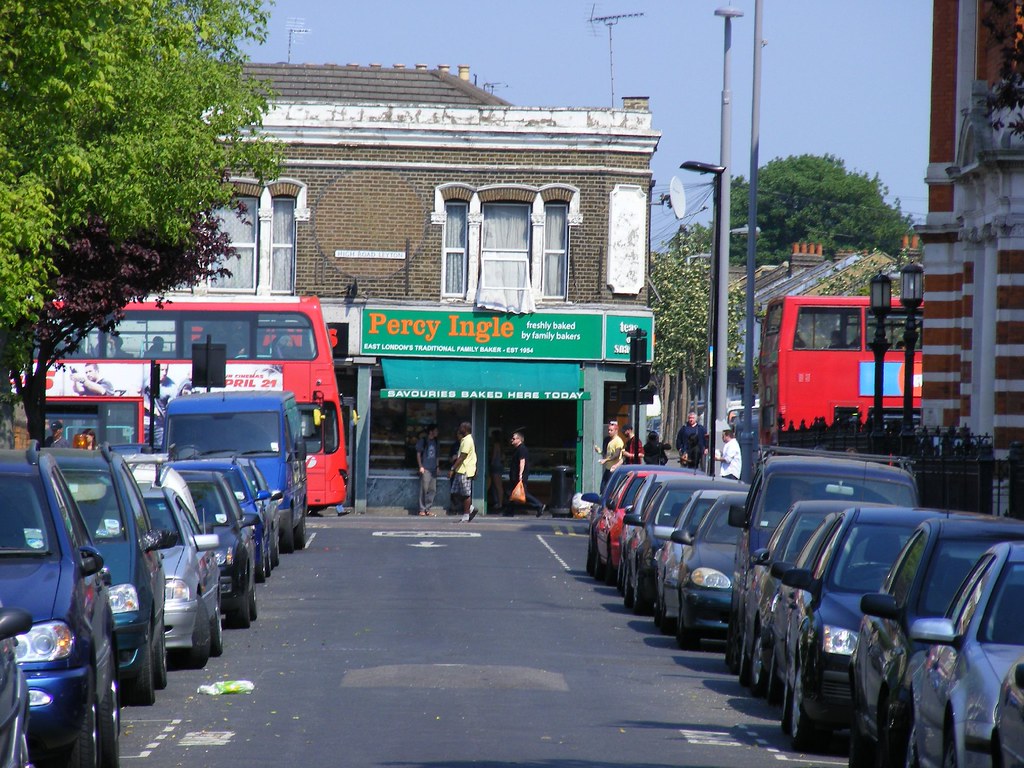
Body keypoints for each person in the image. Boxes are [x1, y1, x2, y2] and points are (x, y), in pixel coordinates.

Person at [505, 431, 545, 517]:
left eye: (514, 438)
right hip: (514, 475)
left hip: (519, 476)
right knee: (511, 493)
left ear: (519, 439)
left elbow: (522, 462)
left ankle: (539, 505)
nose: (511, 440)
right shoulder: (517, 449)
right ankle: (509, 511)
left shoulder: (522, 449)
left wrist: (520, 474)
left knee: (523, 493)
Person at [448, 422, 478, 522]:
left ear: (465, 429)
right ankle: (470, 508)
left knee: (465, 493)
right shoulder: (463, 440)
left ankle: (466, 515)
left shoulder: (468, 440)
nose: (459, 429)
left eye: (461, 427)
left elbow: (463, 457)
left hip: (465, 470)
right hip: (459, 470)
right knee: (454, 492)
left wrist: (452, 468)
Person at [415, 424, 439, 516]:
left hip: (433, 469)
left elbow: (437, 456)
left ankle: (428, 508)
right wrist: (421, 466)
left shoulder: (436, 442)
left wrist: (437, 467)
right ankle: (422, 509)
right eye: (435, 430)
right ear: (431, 432)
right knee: (424, 489)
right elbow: (418, 454)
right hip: (425, 468)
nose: (437, 432)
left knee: (432, 489)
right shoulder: (424, 441)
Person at [595, 420, 624, 492]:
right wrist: (599, 451)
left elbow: (616, 455)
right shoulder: (609, 441)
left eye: (611, 430)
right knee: (603, 489)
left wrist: (605, 460)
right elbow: (607, 455)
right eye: (608, 430)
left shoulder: (618, 441)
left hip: (614, 469)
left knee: (610, 490)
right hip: (608, 468)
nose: (609, 432)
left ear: (616, 430)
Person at [487, 433, 504, 513]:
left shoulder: (495, 445)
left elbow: (494, 456)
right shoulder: (500, 445)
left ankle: (500, 503)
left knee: (498, 486)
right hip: (499, 465)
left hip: (495, 466)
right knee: (496, 486)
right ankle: (498, 502)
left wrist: (490, 463)